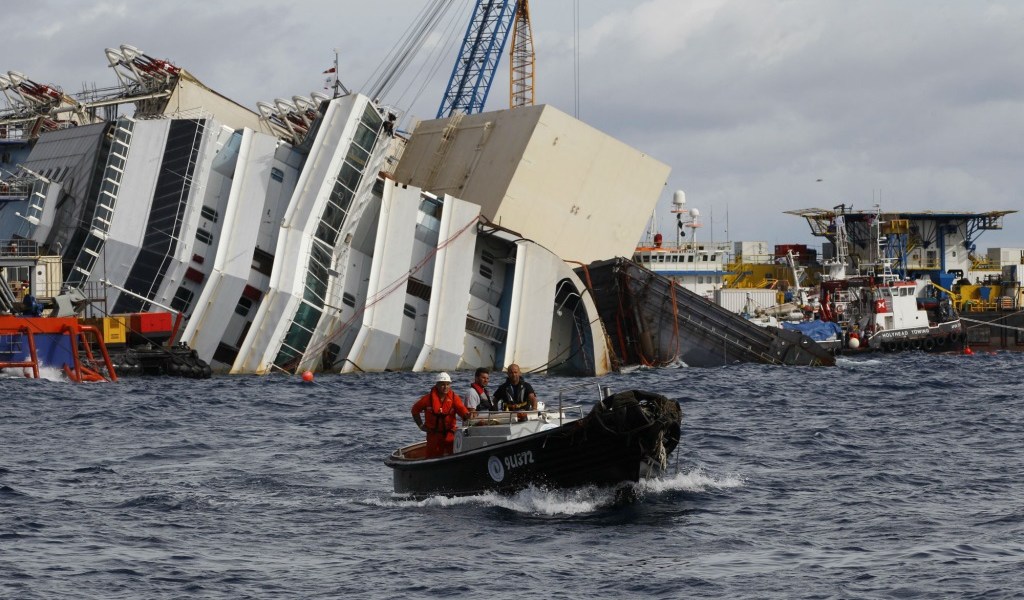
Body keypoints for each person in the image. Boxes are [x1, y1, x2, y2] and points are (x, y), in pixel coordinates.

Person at [411, 372, 472, 458]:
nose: (445, 387)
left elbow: (462, 411)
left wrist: (468, 416)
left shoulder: (454, 398)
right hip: (433, 436)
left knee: (453, 456)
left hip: (450, 435)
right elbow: (415, 410)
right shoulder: (427, 399)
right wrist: (421, 426)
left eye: (447, 384)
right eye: (442, 384)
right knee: (431, 458)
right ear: (437, 385)